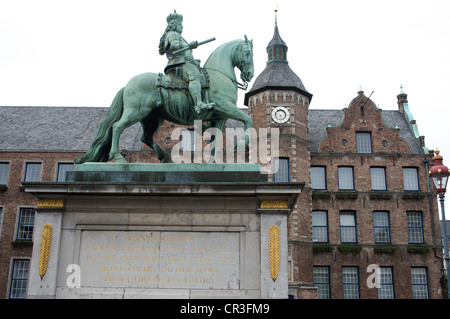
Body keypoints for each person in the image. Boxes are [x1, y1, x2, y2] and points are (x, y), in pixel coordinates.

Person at [159, 11, 212, 113]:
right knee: (195, 76)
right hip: (178, 62)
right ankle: (198, 104)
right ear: (175, 26)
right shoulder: (173, 34)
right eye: (180, 25)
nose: (182, 27)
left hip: (184, 61)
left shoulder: (177, 35)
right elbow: (174, 45)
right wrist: (189, 45)